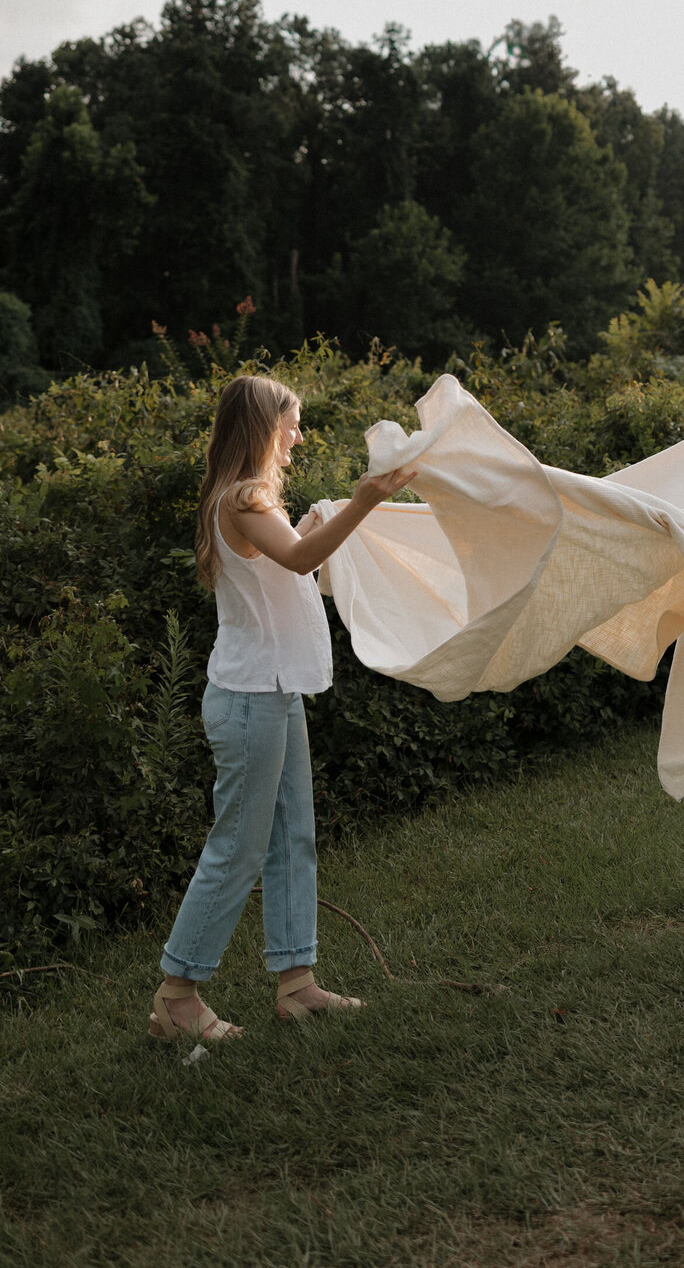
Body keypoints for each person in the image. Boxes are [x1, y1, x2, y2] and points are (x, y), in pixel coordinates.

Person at [149, 374, 415, 1044]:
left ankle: (297, 985)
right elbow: (298, 562)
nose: (298, 435)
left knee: (294, 834)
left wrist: (310, 525)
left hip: (272, 689)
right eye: (291, 423)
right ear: (265, 427)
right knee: (239, 848)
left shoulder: (250, 499)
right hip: (248, 699)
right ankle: (176, 996)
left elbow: (279, 563)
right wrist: (364, 501)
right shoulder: (243, 496)